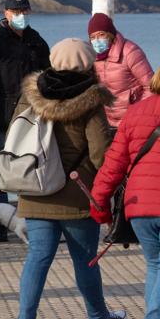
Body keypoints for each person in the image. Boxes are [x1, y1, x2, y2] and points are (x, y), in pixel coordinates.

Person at [13, 38, 125, 319]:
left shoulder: (31, 95)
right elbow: (100, 152)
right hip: (76, 196)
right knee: (85, 260)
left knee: (38, 258)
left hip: (35, 189)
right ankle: (98, 316)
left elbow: (15, 135)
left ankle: (25, 316)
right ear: (88, 64)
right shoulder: (90, 99)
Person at [0, 0, 50, 241]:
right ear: (5, 13)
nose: (21, 16)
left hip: (32, 118)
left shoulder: (37, 43)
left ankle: (34, 222)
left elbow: (47, 79)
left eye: (25, 12)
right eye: (16, 12)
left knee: (33, 168)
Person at [90, 69, 160, 319]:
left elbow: (113, 165)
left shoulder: (135, 113)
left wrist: (99, 205)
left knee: (155, 265)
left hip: (139, 207)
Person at [87, 12, 154, 131]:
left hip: (132, 122)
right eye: (93, 37)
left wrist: (138, 114)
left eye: (101, 35)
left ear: (110, 34)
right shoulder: (91, 56)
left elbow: (151, 86)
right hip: (106, 123)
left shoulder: (130, 52)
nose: (97, 40)